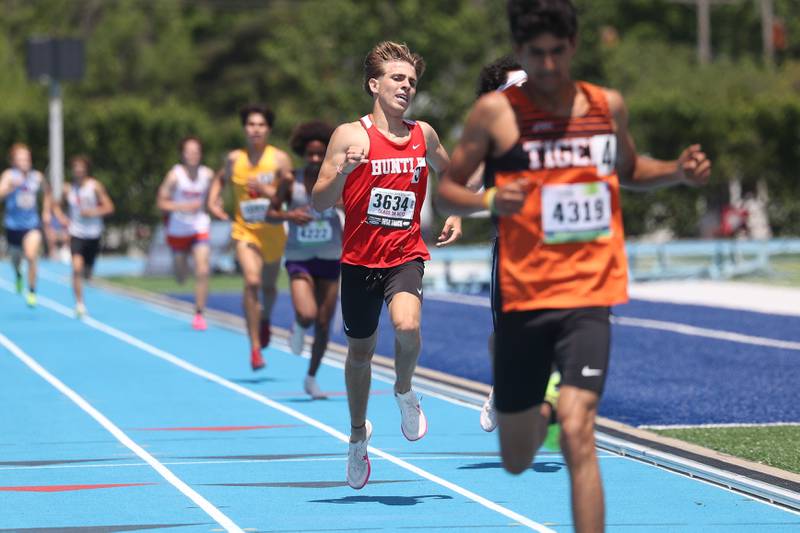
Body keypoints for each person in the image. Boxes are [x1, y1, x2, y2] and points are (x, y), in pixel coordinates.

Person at [436, 1, 711, 531]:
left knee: (579, 430)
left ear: (573, 47)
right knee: (517, 455)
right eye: (535, 54)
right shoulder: (495, 114)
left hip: (589, 290)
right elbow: (447, 192)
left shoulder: (606, 105)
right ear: (520, 51)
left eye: (557, 53)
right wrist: (491, 200)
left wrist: (677, 170)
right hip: (526, 295)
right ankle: (534, 403)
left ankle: (554, 408)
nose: (547, 65)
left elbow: (630, 168)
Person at [313, 41, 463, 490]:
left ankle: (403, 390)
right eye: (398, 78)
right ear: (374, 85)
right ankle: (358, 436)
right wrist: (340, 170)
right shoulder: (349, 136)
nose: (407, 86)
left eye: (412, 81)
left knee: (407, 326)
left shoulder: (424, 135)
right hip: (359, 262)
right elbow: (319, 201)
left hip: (405, 254)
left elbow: (449, 171)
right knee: (359, 354)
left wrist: (454, 210)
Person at [207, 104, 293, 371]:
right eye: (251, 124)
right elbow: (220, 179)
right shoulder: (235, 159)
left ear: (268, 129)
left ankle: (265, 319)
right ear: (245, 128)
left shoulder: (279, 159)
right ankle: (255, 347)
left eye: (261, 125)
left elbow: (289, 194)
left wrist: (268, 190)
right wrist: (213, 202)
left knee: (268, 287)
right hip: (244, 230)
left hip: (273, 232)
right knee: (252, 282)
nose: (255, 129)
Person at [273, 120, 340, 399]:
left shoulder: (336, 178)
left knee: (324, 324)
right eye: (309, 154)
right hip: (299, 255)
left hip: (331, 255)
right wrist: (290, 215)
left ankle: (311, 377)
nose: (314, 159)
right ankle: (299, 325)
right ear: (302, 152)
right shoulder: (291, 180)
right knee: (308, 314)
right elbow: (270, 212)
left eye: (319, 154)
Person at [157, 137, 214, 330]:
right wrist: (183, 206)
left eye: (196, 151)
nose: (193, 155)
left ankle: (199, 313)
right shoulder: (174, 176)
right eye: (189, 151)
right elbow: (161, 203)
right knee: (181, 277)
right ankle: (179, 261)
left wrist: (215, 205)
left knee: (203, 269)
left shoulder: (207, 175)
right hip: (178, 229)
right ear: (182, 154)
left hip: (199, 226)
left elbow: (214, 198)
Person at [53, 155, 114, 317]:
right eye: (75, 167)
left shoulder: (95, 187)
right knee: (76, 268)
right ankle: (80, 304)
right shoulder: (68, 189)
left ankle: (87, 276)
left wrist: (92, 212)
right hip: (76, 233)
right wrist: (62, 219)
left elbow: (109, 207)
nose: (78, 170)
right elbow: (56, 206)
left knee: (87, 273)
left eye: (81, 167)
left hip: (93, 234)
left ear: (86, 169)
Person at [0, 143, 52, 307]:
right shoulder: (9, 176)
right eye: (20, 158)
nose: (24, 161)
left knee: (30, 256)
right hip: (13, 226)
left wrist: (46, 211)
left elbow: (47, 192)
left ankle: (31, 291)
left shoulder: (36, 177)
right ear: (14, 161)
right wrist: (10, 188)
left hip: (31, 225)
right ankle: (18, 275)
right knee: (15, 260)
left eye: (27, 157)